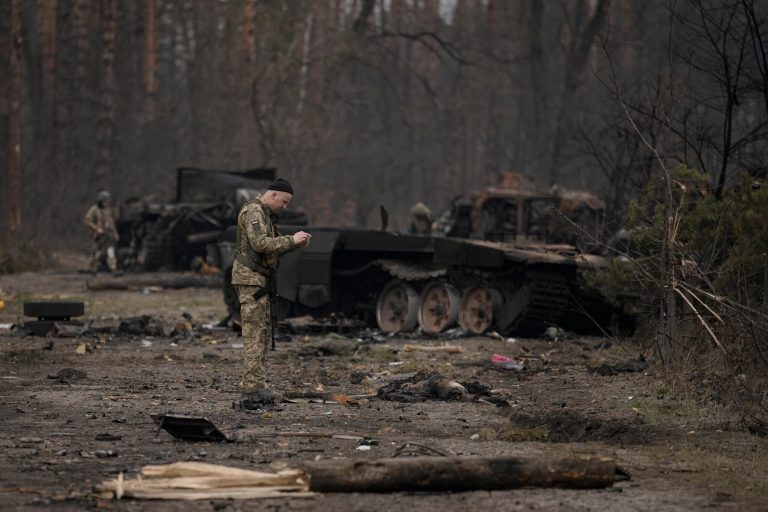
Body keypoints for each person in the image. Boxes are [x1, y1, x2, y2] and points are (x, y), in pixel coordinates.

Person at [231, 178, 311, 408]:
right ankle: (252, 388)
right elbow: (260, 244)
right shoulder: (254, 211)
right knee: (255, 334)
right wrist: (290, 240)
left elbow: (269, 251)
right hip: (251, 281)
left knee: (262, 334)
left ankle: (257, 384)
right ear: (273, 195)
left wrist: (293, 244)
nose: (284, 207)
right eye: (284, 202)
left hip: (260, 280)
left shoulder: (266, 214)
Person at [84, 190, 119, 272]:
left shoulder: (108, 210)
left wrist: (115, 233)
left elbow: (111, 223)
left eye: (107, 201)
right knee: (97, 251)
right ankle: (93, 267)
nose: (107, 203)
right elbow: (87, 220)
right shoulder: (94, 209)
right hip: (98, 234)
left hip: (108, 233)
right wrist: (96, 228)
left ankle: (113, 268)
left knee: (110, 250)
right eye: (105, 201)